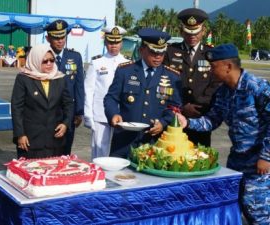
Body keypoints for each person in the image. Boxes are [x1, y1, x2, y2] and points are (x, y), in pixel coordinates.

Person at [176, 44, 270, 225]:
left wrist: (267, 156)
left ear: (228, 66)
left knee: (258, 211)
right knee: (234, 208)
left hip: (259, 163)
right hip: (237, 160)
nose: (210, 71)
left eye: (213, 66)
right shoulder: (223, 92)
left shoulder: (257, 87)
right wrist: (187, 123)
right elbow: (212, 120)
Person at [104, 28, 182, 158]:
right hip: (125, 141)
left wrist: (163, 123)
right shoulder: (125, 71)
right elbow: (111, 98)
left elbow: (175, 107)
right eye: (153, 52)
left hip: (155, 142)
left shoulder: (172, 76)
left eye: (162, 53)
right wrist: (113, 114)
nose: (158, 57)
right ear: (142, 50)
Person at [163, 8, 222, 147]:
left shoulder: (211, 53)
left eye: (196, 32)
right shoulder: (170, 52)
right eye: (188, 32)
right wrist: (181, 108)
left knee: (199, 158)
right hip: (174, 116)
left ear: (203, 31)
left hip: (200, 116)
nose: (192, 36)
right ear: (181, 31)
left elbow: (215, 84)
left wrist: (197, 106)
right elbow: (164, 83)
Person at [11, 44, 73, 159]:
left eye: (52, 60)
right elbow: (16, 108)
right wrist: (20, 134)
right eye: (45, 61)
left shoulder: (60, 78)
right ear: (36, 60)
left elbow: (68, 104)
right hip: (30, 141)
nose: (49, 64)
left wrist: (65, 123)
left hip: (55, 140)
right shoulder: (23, 79)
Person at [84, 26, 129, 159]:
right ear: (105, 42)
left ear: (121, 43)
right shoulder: (97, 62)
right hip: (100, 114)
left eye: (116, 42)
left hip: (121, 114)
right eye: (110, 42)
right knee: (99, 151)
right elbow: (89, 90)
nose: (113, 46)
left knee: (119, 151)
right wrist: (88, 115)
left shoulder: (128, 63)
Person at [45, 19, 84, 155]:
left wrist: (79, 112)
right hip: (48, 113)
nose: (60, 41)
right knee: (48, 151)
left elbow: (79, 86)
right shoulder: (42, 57)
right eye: (56, 37)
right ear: (48, 38)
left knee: (66, 152)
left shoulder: (75, 57)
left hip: (69, 113)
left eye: (62, 37)